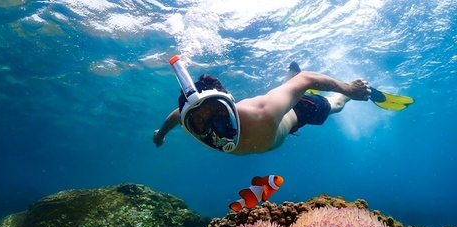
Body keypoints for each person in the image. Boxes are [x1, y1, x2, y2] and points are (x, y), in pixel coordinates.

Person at [153, 59, 412, 155]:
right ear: (190, 123)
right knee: (285, 91)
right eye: (199, 122)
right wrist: (161, 133)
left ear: (230, 104)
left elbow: (307, 79)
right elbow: (176, 115)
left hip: (297, 114)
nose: (215, 128)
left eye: (218, 113)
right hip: (278, 113)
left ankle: (339, 96)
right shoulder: (187, 120)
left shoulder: (263, 112)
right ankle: (288, 81)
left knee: (334, 106)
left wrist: (348, 89)